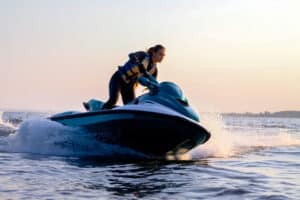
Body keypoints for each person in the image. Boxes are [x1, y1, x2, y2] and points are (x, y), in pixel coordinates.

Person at [102, 44, 166, 109]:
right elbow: (131, 55)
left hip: (129, 85)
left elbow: (153, 85)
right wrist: (137, 63)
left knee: (131, 106)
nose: (162, 57)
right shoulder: (143, 55)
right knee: (113, 100)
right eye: (160, 54)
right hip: (118, 78)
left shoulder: (154, 71)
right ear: (153, 53)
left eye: (163, 55)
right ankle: (101, 112)